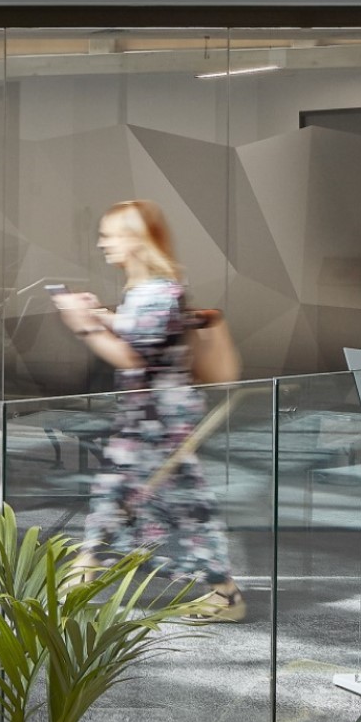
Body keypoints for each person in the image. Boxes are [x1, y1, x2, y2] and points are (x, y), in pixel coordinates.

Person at [49, 200, 244, 622]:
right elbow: (141, 334)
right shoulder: (147, 291)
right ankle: (221, 592)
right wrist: (102, 316)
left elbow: (134, 358)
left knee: (158, 499)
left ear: (137, 240)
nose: (102, 244)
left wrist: (83, 324)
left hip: (158, 422)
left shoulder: (159, 292)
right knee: (138, 497)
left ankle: (80, 579)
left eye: (110, 235)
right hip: (148, 419)